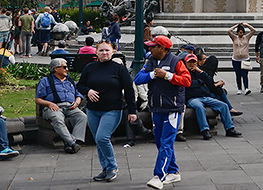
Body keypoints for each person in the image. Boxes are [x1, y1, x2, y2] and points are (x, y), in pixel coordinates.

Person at [134, 35, 191, 190]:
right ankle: (173, 171)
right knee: (160, 142)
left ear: (162, 48)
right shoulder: (150, 61)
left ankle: (159, 176)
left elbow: (186, 81)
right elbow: (138, 78)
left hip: (172, 108)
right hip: (156, 108)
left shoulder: (176, 61)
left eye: (153, 46)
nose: (150, 48)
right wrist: (152, 74)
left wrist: (167, 76)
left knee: (166, 142)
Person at [77, 41, 136, 182]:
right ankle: (105, 168)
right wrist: (88, 91)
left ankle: (112, 166)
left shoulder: (119, 69)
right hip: (93, 110)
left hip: (112, 109)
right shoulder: (90, 68)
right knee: (99, 140)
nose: (104, 53)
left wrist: (132, 111)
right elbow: (80, 85)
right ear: (96, 52)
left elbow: (129, 90)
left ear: (113, 52)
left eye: (107, 50)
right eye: (101, 50)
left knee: (102, 137)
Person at [35, 57, 88, 153]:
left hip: (70, 106)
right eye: (64, 67)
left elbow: (78, 95)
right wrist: (49, 103)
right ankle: (72, 143)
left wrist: (77, 102)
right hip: (54, 107)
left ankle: (70, 143)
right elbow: (38, 99)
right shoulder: (45, 81)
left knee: (82, 117)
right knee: (57, 119)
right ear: (56, 68)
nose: (67, 69)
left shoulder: (70, 81)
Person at [183, 53, 242, 140]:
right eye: (189, 62)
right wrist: (201, 82)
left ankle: (230, 128)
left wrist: (200, 72)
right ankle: (205, 130)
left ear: (197, 63)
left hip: (205, 97)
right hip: (193, 98)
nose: (192, 64)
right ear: (186, 63)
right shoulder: (184, 73)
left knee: (224, 105)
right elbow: (189, 84)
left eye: (194, 62)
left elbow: (209, 82)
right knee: (199, 107)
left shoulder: (200, 72)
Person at [227, 22, 256, 94]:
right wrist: (236, 25)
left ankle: (246, 88)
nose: (241, 34)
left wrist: (246, 25)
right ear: (237, 32)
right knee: (238, 74)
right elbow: (229, 31)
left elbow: (253, 30)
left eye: (242, 32)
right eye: (240, 32)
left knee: (245, 74)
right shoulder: (234, 38)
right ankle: (239, 88)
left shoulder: (246, 37)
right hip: (236, 59)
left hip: (245, 58)